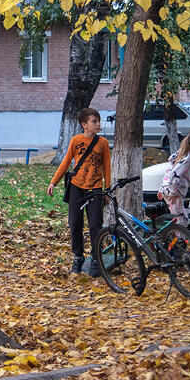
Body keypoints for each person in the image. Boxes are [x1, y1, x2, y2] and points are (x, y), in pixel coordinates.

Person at [47, 107, 112, 276]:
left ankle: (96, 258)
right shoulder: (76, 141)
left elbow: (107, 167)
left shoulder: (103, 143)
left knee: (95, 225)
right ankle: (78, 257)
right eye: (94, 121)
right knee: (75, 223)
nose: (98, 124)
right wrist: (54, 181)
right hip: (76, 187)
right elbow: (66, 161)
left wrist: (107, 189)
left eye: (98, 121)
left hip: (95, 188)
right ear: (84, 124)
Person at [159, 130, 190, 225]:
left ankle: (173, 235)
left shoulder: (179, 154)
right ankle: (179, 239)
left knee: (177, 216)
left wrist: (162, 188)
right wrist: (173, 192)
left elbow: (169, 172)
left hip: (168, 189)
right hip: (175, 192)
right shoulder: (188, 159)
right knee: (181, 219)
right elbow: (175, 174)